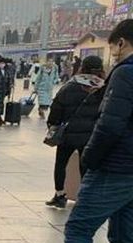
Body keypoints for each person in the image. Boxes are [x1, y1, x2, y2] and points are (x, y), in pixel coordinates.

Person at [64, 20, 133, 243]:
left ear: (121, 43)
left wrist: (90, 156)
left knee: (78, 229)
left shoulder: (126, 72)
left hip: (116, 165)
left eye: (113, 46)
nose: (113, 54)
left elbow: (110, 123)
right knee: (125, 238)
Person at [44, 56, 105, 209]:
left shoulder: (70, 86)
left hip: (67, 135)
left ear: (82, 67)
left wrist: (52, 124)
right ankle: (85, 198)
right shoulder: (103, 88)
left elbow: (56, 109)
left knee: (61, 164)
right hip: (90, 136)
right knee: (85, 167)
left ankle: (60, 195)